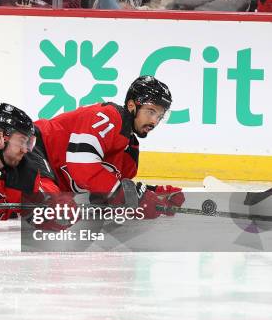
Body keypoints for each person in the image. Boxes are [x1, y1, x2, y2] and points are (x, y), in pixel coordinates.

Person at [33, 75, 185, 219]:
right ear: (132, 106)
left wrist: (154, 194)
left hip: (53, 176)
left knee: (58, 206)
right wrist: (130, 197)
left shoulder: (130, 153)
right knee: (52, 205)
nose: (154, 121)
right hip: (32, 146)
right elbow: (82, 166)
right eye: (151, 112)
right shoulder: (109, 117)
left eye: (159, 116)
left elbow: (108, 192)